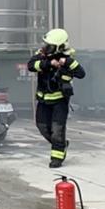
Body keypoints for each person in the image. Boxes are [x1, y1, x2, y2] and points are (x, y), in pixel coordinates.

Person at [27, 28, 86, 168]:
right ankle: (61, 144)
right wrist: (48, 63)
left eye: (50, 45)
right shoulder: (41, 55)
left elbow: (81, 73)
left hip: (60, 101)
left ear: (59, 47)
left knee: (57, 130)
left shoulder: (67, 59)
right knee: (42, 126)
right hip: (43, 100)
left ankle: (57, 157)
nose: (46, 47)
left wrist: (66, 62)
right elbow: (31, 66)